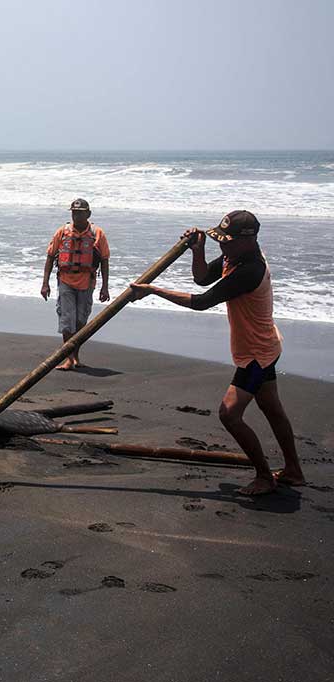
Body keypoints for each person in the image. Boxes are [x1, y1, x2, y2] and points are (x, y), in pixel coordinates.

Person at [130, 210, 305, 496]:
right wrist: (197, 251)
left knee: (229, 414)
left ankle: (264, 476)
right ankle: (294, 471)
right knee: (272, 409)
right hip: (264, 346)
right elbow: (202, 279)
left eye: (228, 241)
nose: (222, 245)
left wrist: (152, 291)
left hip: (257, 355)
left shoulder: (250, 270)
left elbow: (200, 302)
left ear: (248, 241)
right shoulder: (232, 257)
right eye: (220, 240)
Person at [40, 198, 110, 370]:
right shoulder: (62, 232)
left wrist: (105, 287)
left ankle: (76, 356)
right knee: (67, 320)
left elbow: (105, 260)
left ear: (88, 214)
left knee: (80, 321)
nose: (76, 215)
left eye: (80, 212)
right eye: (74, 212)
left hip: (87, 282)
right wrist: (45, 283)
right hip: (66, 281)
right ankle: (69, 359)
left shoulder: (97, 233)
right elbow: (50, 257)